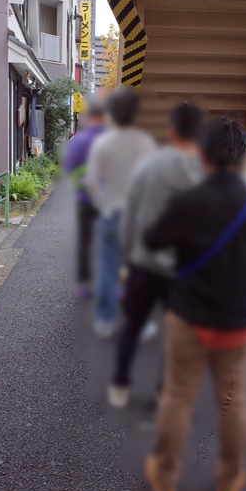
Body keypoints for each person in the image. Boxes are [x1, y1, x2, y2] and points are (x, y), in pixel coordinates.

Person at [143, 117, 246, 491]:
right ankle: (228, 478)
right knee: (233, 401)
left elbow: (154, 240)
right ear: (241, 154)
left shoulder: (186, 202)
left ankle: (167, 474)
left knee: (177, 396)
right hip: (236, 321)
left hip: (188, 316)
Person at [108, 102, 204, 408]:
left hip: (144, 265)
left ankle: (120, 385)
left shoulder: (147, 166)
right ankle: (164, 391)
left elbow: (129, 216)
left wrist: (125, 258)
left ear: (171, 130)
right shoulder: (205, 174)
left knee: (133, 326)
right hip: (183, 272)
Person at [86, 86, 156, 337]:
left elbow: (93, 181)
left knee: (107, 268)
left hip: (111, 212)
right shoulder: (145, 142)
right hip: (137, 216)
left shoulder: (103, 143)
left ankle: (105, 320)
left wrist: (103, 204)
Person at [63, 95, 106, 297]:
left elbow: (70, 168)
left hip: (85, 198)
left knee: (85, 240)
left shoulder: (78, 141)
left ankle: (86, 284)